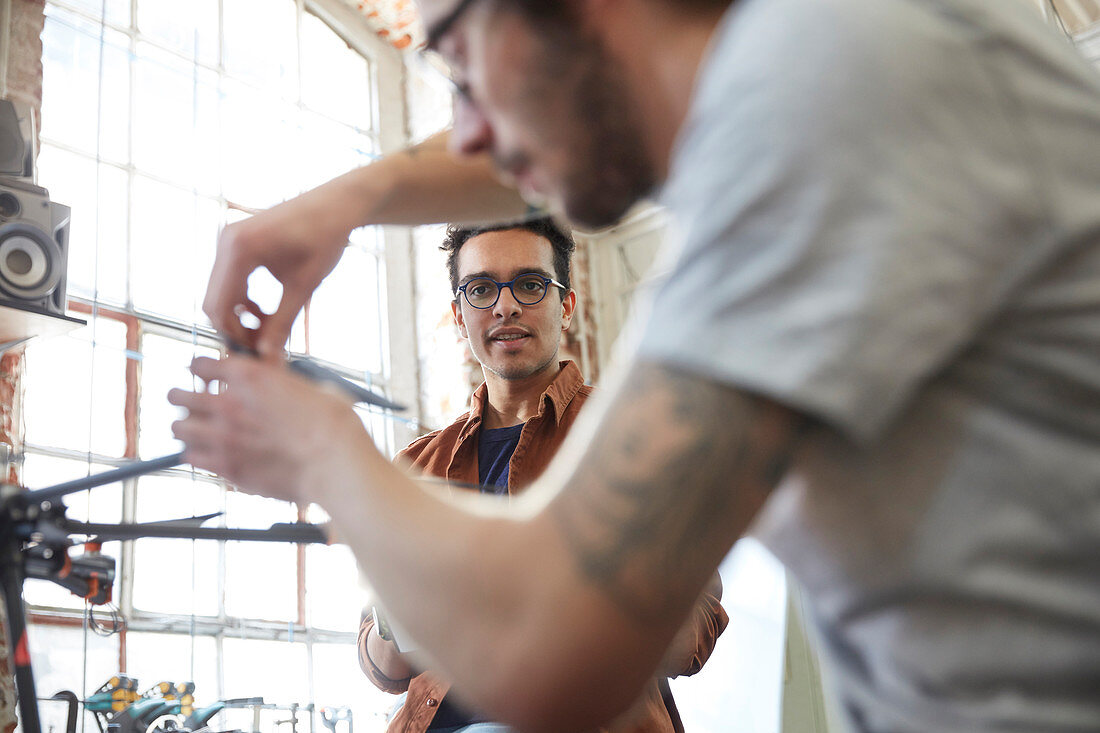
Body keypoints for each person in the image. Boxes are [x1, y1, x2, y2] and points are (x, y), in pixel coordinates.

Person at [170, 1, 1100, 731]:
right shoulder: (830, 52)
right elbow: (542, 123)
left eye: (457, 60)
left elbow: (552, 648)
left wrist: (323, 450)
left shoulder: (823, 93)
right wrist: (351, 197)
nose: (468, 133)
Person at [357, 218, 727, 733]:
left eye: (530, 285)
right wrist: (397, 614)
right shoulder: (416, 469)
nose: (505, 306)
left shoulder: (638, 442)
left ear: (567, 305)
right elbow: (385, 668)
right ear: (460, 318)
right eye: (481, 289)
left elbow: (696, 636)